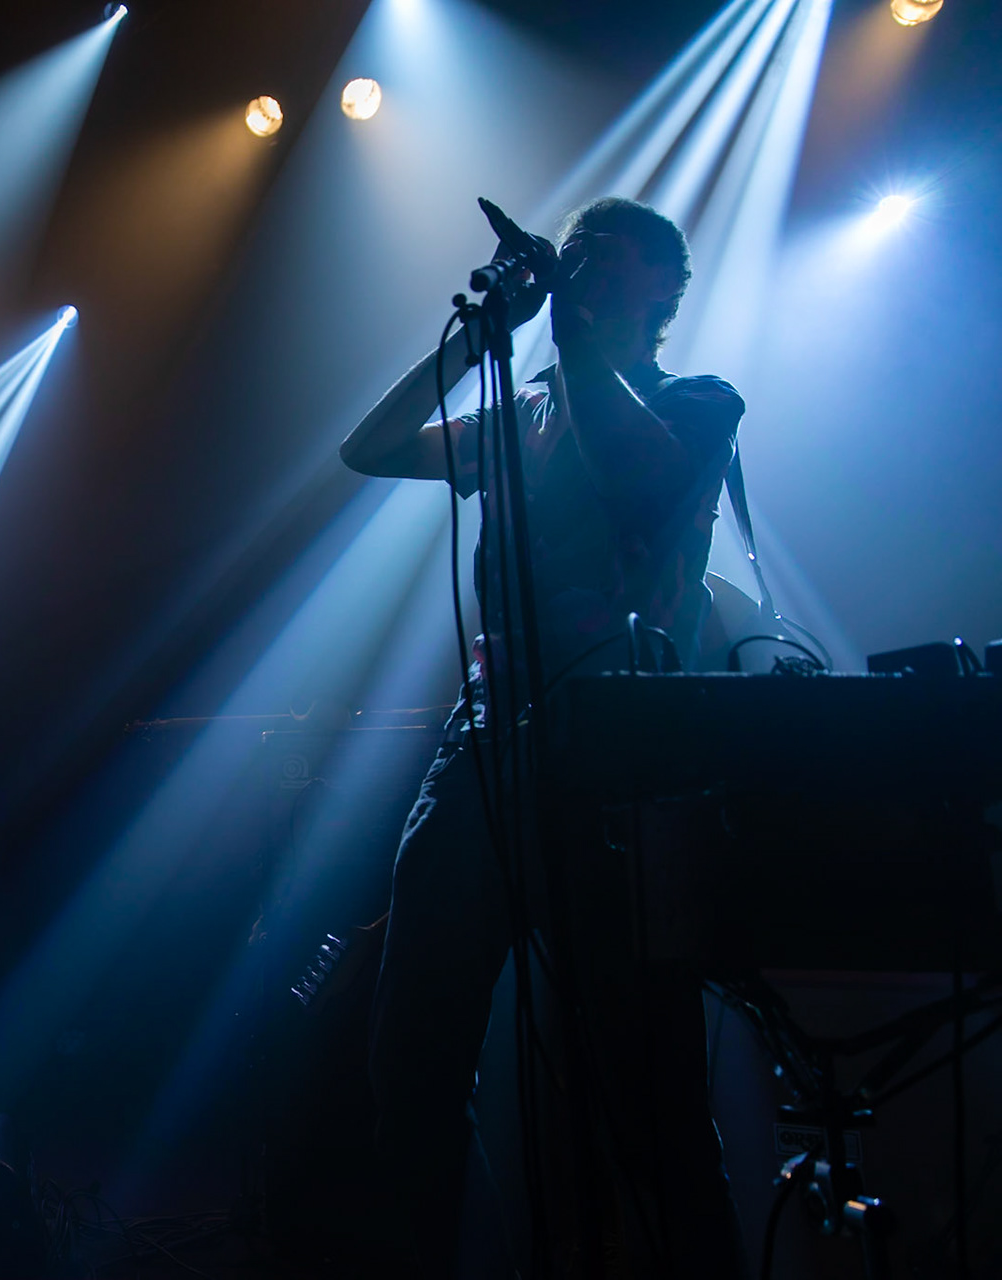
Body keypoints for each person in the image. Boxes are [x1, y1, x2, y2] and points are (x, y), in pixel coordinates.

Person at [340, 197, 749, 1276]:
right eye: (577, 261)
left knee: (644, 1081)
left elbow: (636, 474)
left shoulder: (700, 403)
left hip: (623, 748)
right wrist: (484, 341)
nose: (583, 280)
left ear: (665, 293)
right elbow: (368, 448)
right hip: (489, 742)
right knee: (412, 1060)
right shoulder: (524, 413)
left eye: (607, 269)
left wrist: (561, 329)